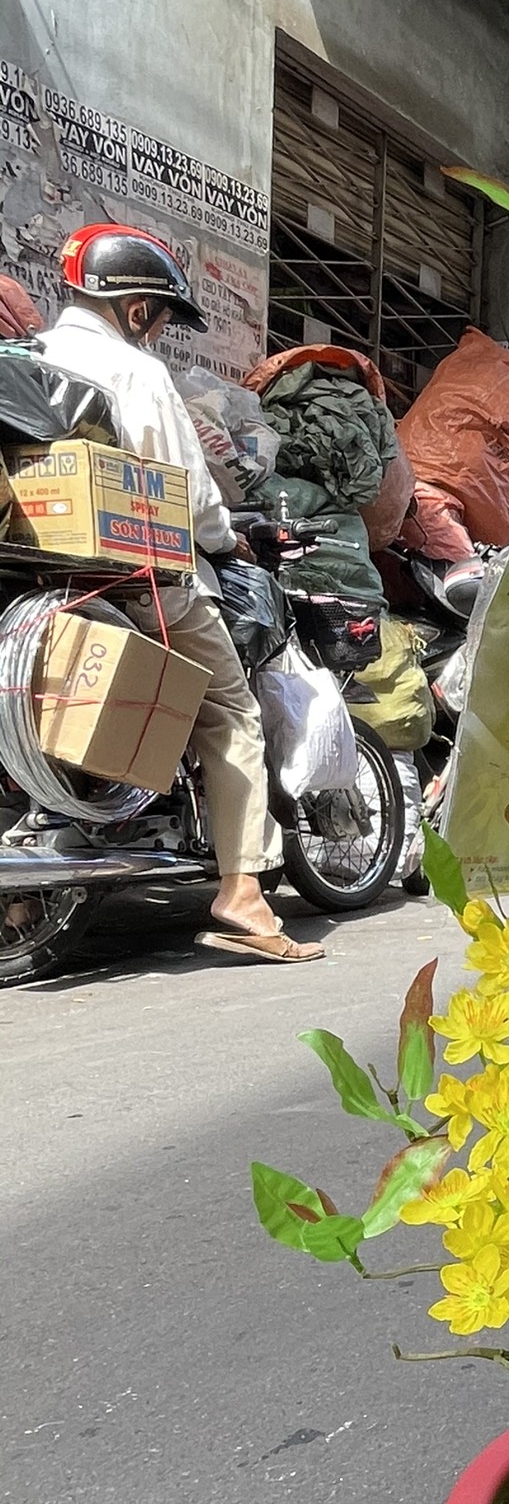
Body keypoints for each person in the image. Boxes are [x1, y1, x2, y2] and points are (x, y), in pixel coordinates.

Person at [35, 225, 323, 962]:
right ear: (137, 311)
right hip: (144, 577)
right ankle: (243, 894)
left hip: (44, 572)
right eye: (161, 317)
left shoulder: (34, 359)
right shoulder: (136, 373)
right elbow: (189, 495)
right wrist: (229, 543)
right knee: (231, 712)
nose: (160, 332)